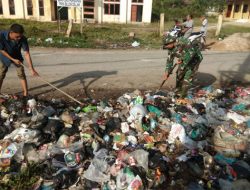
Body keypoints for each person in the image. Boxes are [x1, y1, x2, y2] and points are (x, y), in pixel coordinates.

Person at [0, 23, 38, 97]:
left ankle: (25, 94)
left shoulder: (22, 38)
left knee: (21, 73)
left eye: (20, 36)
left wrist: (32, 69)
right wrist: (12, 59)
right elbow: (2, 50)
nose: (19, 38)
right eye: (17, 37)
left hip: (17, 56)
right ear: (11, 33)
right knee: (1, 74)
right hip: (4, 56)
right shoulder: (1, 35)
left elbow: (27, 53)